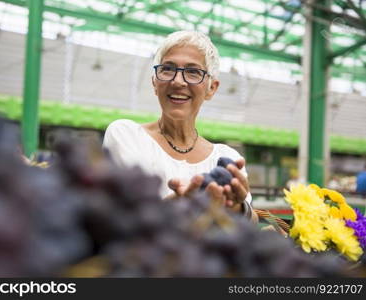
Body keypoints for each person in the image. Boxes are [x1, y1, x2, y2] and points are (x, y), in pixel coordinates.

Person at [103, 31, 256, 221]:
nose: (177, 81)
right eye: (167, 69)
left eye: (193, 72)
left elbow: (248, 220)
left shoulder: (227, 158)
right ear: (154, 82)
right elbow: (122, 217)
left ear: (212, 88)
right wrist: (175, 208)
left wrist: (238, 208)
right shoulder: (127, 136)